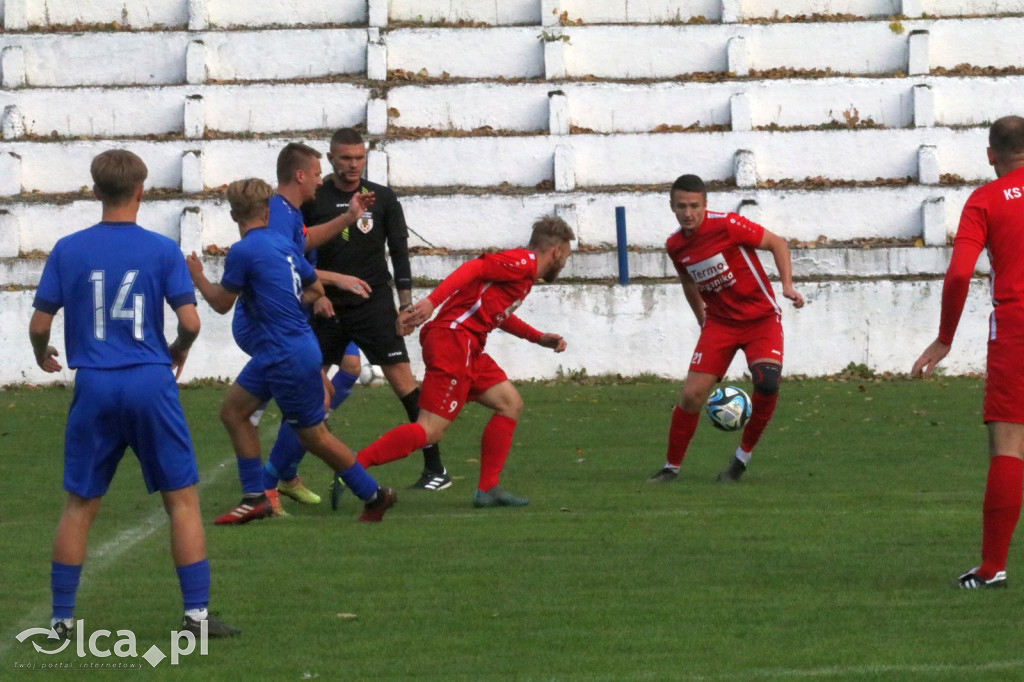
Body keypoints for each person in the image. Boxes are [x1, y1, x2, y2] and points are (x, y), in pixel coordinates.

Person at [28, 149, 239, 638]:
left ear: (96, 191)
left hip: (95, 382)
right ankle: (196, 618)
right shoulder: (162, 250)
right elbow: (189, 320)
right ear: (142, 191)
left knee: (80, 503)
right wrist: (179, 349)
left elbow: (41, 323)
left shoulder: (68, 248)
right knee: (181, 499)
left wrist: (42, 353)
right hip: (149, 378)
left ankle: (61, 621)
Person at [187, 177, 396, 524]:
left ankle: (375, 495)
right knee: (234, 413)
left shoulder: (244, 250)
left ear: (233, 213)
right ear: (268, 211)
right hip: (288, 348)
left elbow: (222, 304)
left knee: (314, 436)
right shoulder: (283, 245)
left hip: (283, 353)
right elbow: (314, 289)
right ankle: (255, 497)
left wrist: (198, 277)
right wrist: (281, 302)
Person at [264, 127, 451, 510]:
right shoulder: (315, 197)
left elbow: (398, 251)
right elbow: (302, 251)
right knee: (309, 389)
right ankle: (283, 475)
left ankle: (435, 468)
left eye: (359, 158)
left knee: (405, 386)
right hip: (326, 307)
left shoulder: (381, 198)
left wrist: (405, 305)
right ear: (331, 160)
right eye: (345, 158)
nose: (353, 165)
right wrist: (315, 297)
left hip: (374, 307)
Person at [354, 215, 574, 508]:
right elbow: (475, 267)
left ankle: (488, 489)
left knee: (509, 403)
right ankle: (353, 467)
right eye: (567, 256)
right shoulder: (523, 262)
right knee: (431, 429)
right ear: (556, 251)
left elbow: (498, 313)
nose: (565, 263)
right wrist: (432, 302)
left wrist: (537, 338)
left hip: (468, 344)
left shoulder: (524, 274)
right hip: (455, 340)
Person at [227, 142, 375, 518]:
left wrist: (348, 218)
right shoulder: (275, 213)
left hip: (284, 331)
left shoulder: (289, 213)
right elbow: (277, 267)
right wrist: (325, 288)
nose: (321, 179)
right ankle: (274, 482)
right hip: (269, 329)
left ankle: (273, 482)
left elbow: (301, 246)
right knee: (313, 413)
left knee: (253, 411)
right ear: (299, 175)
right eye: (316, 171)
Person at [912, 115, 1024, 589]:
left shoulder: (984, 200)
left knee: (1009, 445)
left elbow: (959, 275)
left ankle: (992, 568)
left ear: (990, 154)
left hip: (1016, 326)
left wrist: (945, 338)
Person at [647, 174, 804, 484]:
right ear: (672, 207)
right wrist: (701, 317)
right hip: (720, 324)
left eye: (694, 206)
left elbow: (777, 243)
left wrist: (786, 286)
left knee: (767, 383)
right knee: (692, 395)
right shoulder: (675, 245)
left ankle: (740, 460)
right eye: (681, 206)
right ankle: (670, 468)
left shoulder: (729, 225)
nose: (688, 213)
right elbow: (688, 281)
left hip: (760, 319)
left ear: (705, 205)